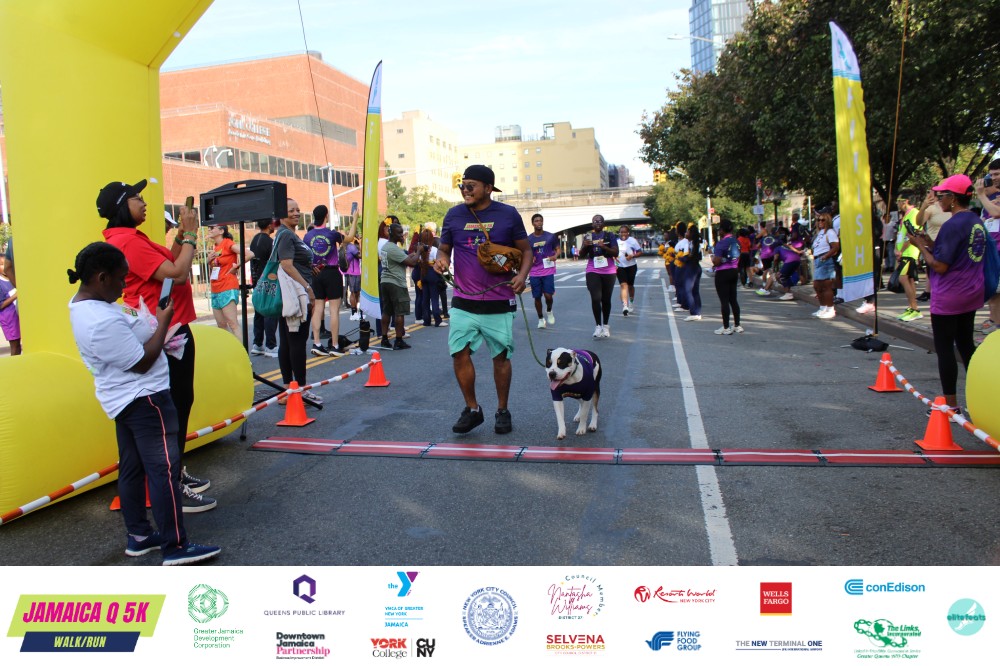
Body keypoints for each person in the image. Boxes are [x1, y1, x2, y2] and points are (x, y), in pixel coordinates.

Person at [67, 242, 220, 565]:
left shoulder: (88, 306)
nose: (124, 285)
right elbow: (141, 362)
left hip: (125, 398)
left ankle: (139, 536)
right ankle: (175, 546)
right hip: (145, 398)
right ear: (102, 277)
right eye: (121, 278)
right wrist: (163, 322)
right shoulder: (100, 321)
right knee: (164, 470)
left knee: (132, 467)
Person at [98, 179, 215, 513]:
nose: (144, 202)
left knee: (179, 403)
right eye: (136, 198)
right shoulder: (127, 242)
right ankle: (170, 484)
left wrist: (179, 238)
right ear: (122, 206)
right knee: (174, 407)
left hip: (168, 329)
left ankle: (173, 473)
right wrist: (190, 233)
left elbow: (166, 265)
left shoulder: (132, 238)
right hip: (165, 334)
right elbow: (177, 274)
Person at [433, 164, 531, 435]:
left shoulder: (508, 214)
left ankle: (502, 410)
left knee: (500, 357)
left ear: (488, 188)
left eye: (471, 186)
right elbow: (444, 248)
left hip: (499, 299)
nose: (465, 190)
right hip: (464, 300)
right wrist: (441, 260)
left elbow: (526, 250)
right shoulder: (453, 215)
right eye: (462, 186)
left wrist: (522, 275)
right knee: (459, 353)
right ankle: (472, 408)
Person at [907, 175, 986, 414]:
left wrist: (920, 247)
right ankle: (980, 400)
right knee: (966, 345)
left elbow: (940, 265)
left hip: (950, 294)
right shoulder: (975, 220)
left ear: (953, 198)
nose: (938, 199)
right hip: (970, 292)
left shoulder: (952, 225)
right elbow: (953, 251)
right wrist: (929, 242)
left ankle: (951, 407)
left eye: (941, 195)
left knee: (945, 349)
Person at [273, 198, 322, 404]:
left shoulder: (287, 234)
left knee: (288, 341)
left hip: (290, 294)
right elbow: (286, 264)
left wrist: (308, 267)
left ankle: (288, 390)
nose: (296, 213)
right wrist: (307, 287)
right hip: (295, 295)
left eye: (298, 209)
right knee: (296, 342)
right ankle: (299, 390)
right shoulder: (286, 234)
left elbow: (292, 262)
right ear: (281, 214)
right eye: (291, 210)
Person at [303, 205, 346, 357]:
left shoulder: (307, 236)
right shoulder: (332, 234)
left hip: (315, 273)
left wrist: (311, 267)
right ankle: (335, 345)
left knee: (318, 308)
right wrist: (354, 220)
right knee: (334, 310)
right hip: (331, 272)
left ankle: (317, 343)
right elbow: (349, 238)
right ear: (326, 216)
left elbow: (304, 256)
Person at [379, 222, 420, 349]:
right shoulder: (393, 248)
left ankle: (384, 339)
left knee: (387, 311)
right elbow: (412, 263)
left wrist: (413, 253)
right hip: (396, 283)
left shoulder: (386, 247)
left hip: (385, 281)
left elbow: (403, 258)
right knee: (399, 313)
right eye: (399, 233)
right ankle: (398, 340)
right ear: (392, 234)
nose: (402, 235)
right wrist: (419, 252)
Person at [206, 225, 250, 340]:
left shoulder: (227, 243)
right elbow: (216, 268)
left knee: (232, 323)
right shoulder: (216, 247)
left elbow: (249, 254)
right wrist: (208, 260)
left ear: (221, 231)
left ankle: (240, 351)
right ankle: (228, 350)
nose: (209, 230)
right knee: (221, 325)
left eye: (212, 228)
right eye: (209, 228)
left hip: (227, 287)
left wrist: (237, 266)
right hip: (215, 288)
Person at [581, 214, 619, 338]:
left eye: (600, 221)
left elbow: (616, 252)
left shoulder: (609, 235)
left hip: (608, 270)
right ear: (592, 224)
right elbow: (581, 254)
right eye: (595, 221)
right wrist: (585, 246)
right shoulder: (588, 236)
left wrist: (605, 247)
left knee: (606, 300)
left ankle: (606, 326)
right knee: (596, 298)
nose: (597, 223)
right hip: (593, 269)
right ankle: (598, 326)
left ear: (603, 224)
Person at [975, 158, 1000, 333]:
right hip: (993, 250)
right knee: (993, 291)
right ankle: (994, 324)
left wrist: (981, 195)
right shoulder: (994, 198)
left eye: (997, 174)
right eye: (991, 175)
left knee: (997, 293)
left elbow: (996, 213)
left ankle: (996, 331)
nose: (993, 178)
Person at [249, 219, 278, 356]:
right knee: (270, 312)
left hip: (257, 281)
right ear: (269, 225)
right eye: (273, 224)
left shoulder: (254, 240)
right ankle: (270, 346)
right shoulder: (270, 242)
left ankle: (258, 343)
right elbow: (275, 261)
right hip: (268, 281)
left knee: (259, 312)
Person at [527, 213, 560, 328]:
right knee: (537, 297)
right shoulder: (529, 239)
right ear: (532, 223)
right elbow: (526, 253)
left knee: (548, 296)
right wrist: (530, 258)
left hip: (548, 269)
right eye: (536, 221)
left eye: (540, 220)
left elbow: (558, 249)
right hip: (534, 271)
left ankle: (549, 311)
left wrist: (555, 256)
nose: (539, 223)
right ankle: (541, 319)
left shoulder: (550, 236)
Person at [710, 218, 742, 334]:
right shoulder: (736, 241)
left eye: (719, 229)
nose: (719, 231)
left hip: (723, 273)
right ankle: (737, 325)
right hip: (734, 271)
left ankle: (726, 327)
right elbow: (738, 256)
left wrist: (713, 259)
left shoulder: (721, 243)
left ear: (722, 230)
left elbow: (717, 261)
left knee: (724, 300)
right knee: (733, 299)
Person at [895, 196, 923, 321]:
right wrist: (897, 249)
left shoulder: (914, 213)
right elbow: (901, 234)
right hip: (904, 252)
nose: (897, 203)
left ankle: (915, 309)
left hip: (909, 252)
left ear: (905, 201)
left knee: (903, 278)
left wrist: (901, 250)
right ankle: (912, 307)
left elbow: (911, 235)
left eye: (898, 201)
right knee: (910, 280)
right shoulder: (906, 214)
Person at [810, 206, 840, 320]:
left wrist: (826, 256)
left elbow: (835, 247)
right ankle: (823, 307)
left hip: (825, 261)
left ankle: (830, 309)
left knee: (826, 286)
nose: (820, 222)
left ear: (827, 221)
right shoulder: (820, 233)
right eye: (818, 220)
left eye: (823, 220)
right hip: (818, 260)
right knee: (817, 286)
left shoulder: (830, 232)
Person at [616, 224, 643, 316]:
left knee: (630, 286)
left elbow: (640, 252)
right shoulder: (616, 241)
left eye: (625, 232)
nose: (623, 234)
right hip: (620, 266)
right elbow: (613, 253)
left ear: (628, 233)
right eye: (621, 232)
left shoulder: (632, 241)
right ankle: (625, 305)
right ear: (619, 233)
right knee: (623, 285)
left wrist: (632, 256)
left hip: (631, 266)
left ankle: (631, 302)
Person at [679, 224, 704, 321]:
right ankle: (697, 312)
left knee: (688, 290)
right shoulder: (694, 243)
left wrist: (682, 258)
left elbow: (692, 257)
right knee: (695, 291)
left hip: (692, 268)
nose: (686, 233)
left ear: (691, 234)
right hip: (695, 267)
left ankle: (694, 312)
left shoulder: (693, 244)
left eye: (688, 232)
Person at [775, 225, 805, 300]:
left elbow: (776, 259)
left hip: (790, 261)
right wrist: (800, 252)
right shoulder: (789, 246)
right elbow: (797, 252)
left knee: (780, 276)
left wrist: (775, 267)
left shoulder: (777, 248)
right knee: (787, 276)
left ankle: (788, 293)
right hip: (797, 260)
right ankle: (789, 288)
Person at [0, 271, 20, 355]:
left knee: (19, 345)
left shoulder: (13, 277)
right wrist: (15, 295)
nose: (4, 268)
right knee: (15, 345)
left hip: (17, 315)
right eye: (1, 265)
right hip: (9, 318)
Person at [345, 235, 362, 321]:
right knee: (353, 293)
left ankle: (355, 312)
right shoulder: (351, 246)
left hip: (353, 272)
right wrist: (361, 244)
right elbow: (360, 256)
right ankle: (354, 312)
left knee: (356, 292)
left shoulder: (347, 246)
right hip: (353, 272)